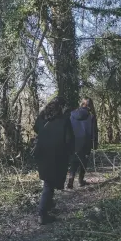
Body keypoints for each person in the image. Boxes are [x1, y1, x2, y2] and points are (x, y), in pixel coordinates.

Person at [33, 96, 74, 225]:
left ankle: (49, 206)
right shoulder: (64, 120)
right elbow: (69, 139)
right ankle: (42, 214)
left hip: (42, 153)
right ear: (61, 107)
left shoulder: (42, 117)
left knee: (48, 181)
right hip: (57, 155)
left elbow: (36, 129)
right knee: (49, 184)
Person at [67, 96, 98, 189]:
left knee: (74, 161)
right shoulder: (91, 116)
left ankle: (71, 180)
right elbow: (94, 131)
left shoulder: (72, 114)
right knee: (84, 161)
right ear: (90, 105)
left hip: (74, 141)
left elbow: (68, 128)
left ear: (82, 104)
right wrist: (95, 143)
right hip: (86, 141)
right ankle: (80, 181)